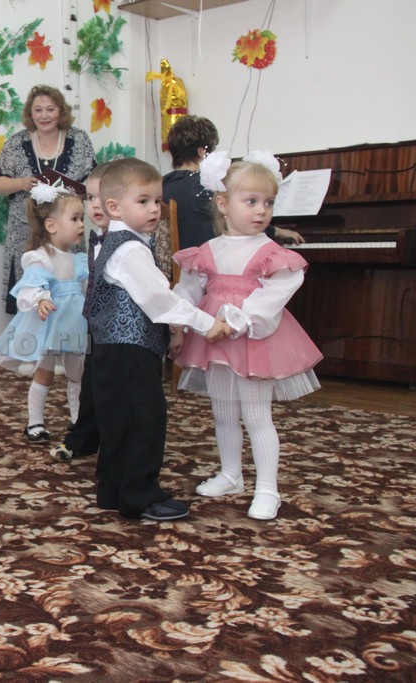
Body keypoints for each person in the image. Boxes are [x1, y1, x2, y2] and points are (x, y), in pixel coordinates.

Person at [172, 151, 323, 521]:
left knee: (256, 415)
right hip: (214, 342)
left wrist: (238, 320)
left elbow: (275, 295)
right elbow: (187, 291)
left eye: (268, 203)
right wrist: (179, 324)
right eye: (251, 201)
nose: (261, 211)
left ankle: (268, 489)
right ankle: (231, 474)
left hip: (254, 342)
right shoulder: (207, 251)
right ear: (223, 204)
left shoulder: (271, 252)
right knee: (223, 411)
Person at [87, 158, 229, 521]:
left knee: (118, 419)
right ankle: (139, 494)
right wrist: (204, 322)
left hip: (112, 348)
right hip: (131, 351)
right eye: (143, 201)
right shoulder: (131, 249)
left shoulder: (115, 242)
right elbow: (158, 299)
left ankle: (113, 489)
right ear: (114, 206)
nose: (155, 209)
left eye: (157, 201)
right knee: (145, 420)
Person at [0, 181, 88, 443]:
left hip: (74, 323)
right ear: (51, 225)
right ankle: (35, 422)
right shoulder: (40, 257)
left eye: (82, 218)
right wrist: (40, 300)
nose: (82, 224)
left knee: (77, 374)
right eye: (75, 219)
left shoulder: (79, 259)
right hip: (50, 324)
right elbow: (31, 285)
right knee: (44, 373)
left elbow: (83, 289)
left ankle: (78, 419)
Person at [0, 85, 97, 313]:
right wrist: (21, 183)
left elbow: (93, 182)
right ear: (30, 114)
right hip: (25, 231)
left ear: (61, 111)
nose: (44, 115)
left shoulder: (79, 140)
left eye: (50, 109)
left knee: (70, 291)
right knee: (32, 292)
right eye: (38, 110)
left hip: (67, 231)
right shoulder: (16, 142)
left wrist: (74, 191)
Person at [163, 115, 303, 247]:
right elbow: (238, 219)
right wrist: (278, 231)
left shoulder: (162, 184)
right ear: (202, 152)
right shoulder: (202, 186)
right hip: (212, 260)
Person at [49, 162, 110, 461]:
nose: (94, 206)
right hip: (91, 323)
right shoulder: (91, 242)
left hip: (116, 326)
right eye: (91, 198)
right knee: (88, 380)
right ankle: (83, 434)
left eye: (102, 198)